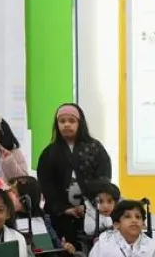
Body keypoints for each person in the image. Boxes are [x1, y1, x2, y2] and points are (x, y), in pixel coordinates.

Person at [36, 103, 112, 243]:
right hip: (60, 217)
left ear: (80, 123)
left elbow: (104, 179)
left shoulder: (95, 148)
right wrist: (64, 209)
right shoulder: (49, 153)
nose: (66, 125)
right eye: (62, 121)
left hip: (91, 214)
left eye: (71, 121)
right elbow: (46, 185)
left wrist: (88, 205)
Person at [82, 180, 122, 245]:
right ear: (91, 202)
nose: (105, 206)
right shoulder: (90, 214)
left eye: (110, 201)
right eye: (100, 201)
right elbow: (89, 230)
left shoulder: (118, 214)